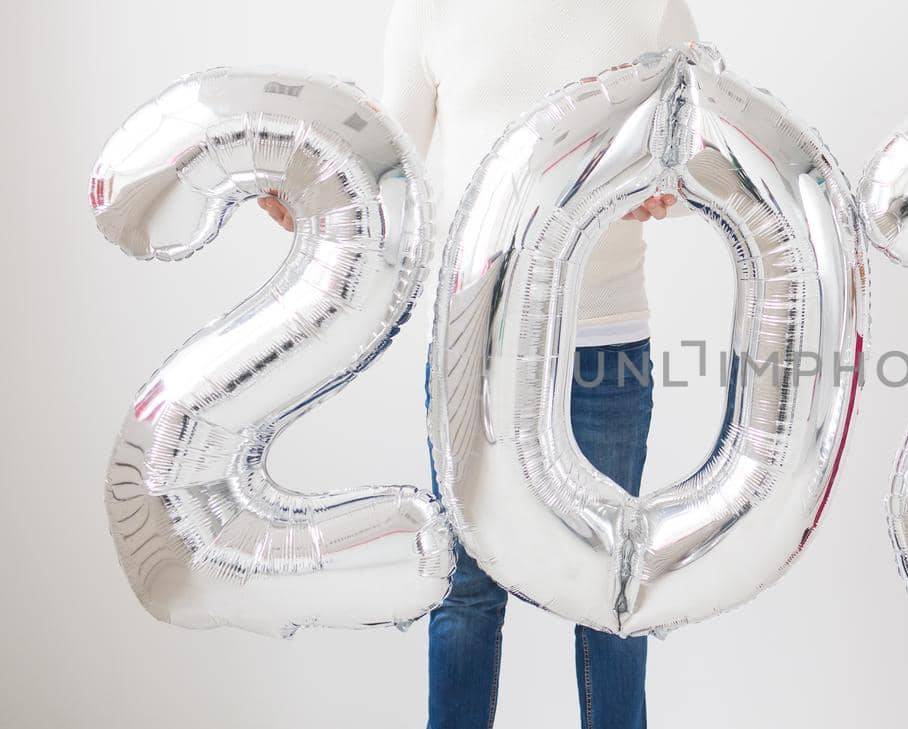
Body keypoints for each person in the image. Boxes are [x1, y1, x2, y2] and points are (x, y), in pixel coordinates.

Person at [258, 1, 698, 727]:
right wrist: (309, 196)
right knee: (464, 587)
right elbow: (387, 160)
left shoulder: (652, 9)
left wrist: (666, 190)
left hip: (605, 345)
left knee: (614, 591)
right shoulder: (429, 10)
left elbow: (703, 151)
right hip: (474, 344)